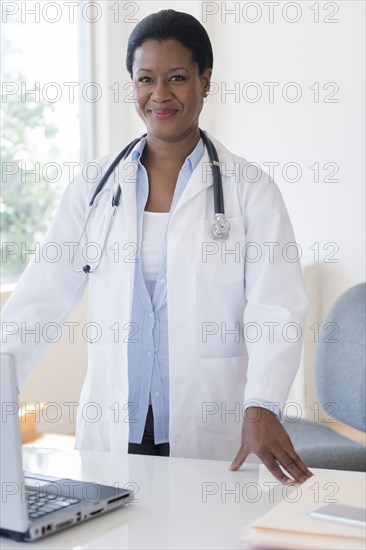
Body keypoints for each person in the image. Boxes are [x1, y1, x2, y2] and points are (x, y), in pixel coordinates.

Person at [1, 9, 312, 485]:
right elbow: (40, 299)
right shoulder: (94, 186)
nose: (159, 94)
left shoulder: (251, 189)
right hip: (113, 428)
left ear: (206, 81)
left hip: (209, 428)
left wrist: (264, 403)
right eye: (146, 79)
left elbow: (276, 308)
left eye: (178, 78)